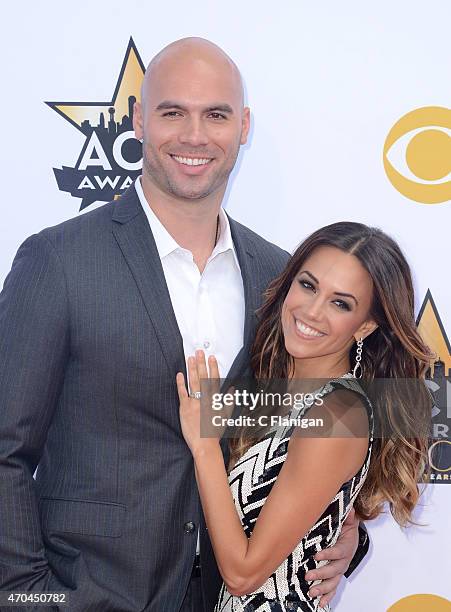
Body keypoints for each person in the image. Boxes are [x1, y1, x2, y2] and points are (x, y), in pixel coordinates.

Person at [0, 39, 367, 612]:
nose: (195, 136)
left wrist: (345, 535)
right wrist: (29, 597)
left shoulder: (282, 280)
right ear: (140, 120)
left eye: (216, 115)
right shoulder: (59, 261)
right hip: (89, 596)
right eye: (173, 112)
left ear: (242, 127)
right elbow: (6, 448)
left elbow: (322, 430)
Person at [177, 221, 432, 611]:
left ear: (365, 325)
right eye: (309, 285)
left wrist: (204, 444)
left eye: (340, 303)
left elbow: (244, 575)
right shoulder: (285, 383)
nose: (311, 311)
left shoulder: (339, 411)